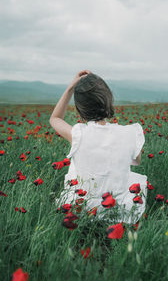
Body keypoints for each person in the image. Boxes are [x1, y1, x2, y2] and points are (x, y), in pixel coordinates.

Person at [49, 70, 148, 225]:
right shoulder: (129, 133)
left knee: (75, 167)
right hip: (117, 206)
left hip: (84, 207)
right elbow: (137, 160)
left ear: (80, 108)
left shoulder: (78, 134)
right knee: (132, 179)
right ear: (108, 100)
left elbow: (55, 118)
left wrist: (70, 88)